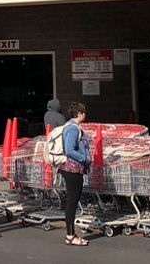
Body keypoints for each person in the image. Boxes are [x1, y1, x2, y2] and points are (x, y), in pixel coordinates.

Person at [60, 102, 91, 247]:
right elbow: (69, 149)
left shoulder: (71, 127)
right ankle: (70, 235)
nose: (85, 114)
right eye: (84, 112)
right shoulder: (73, 129)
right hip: (73, 169)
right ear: (79, 114)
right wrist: (84, 158)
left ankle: (71, 234)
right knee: (72, 201)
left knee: (72, 201)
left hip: (73, 169)